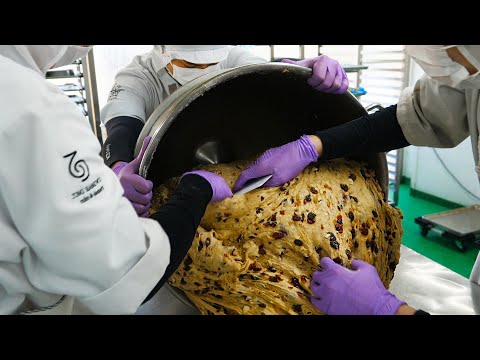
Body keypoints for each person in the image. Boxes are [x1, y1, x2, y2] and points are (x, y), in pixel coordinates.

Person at [234, 45, 480, 315]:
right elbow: (413, 117)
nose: (449, 58)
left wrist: (386, 310)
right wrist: (313, 146)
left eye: (454, 50)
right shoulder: (469, 74)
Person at [0, 45, 234, 315]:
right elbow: (124, 268)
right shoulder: (30, 107)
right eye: (191, 63)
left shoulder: (16, 87)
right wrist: (194, 189)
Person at [101, 45, 349, 216]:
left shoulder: (233, 59)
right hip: (167, 198)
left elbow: (265, 75)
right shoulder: (139, 76)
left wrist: (302, 70)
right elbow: (121, 128)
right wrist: (119, 168)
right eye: (188, 62)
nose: (201, 68)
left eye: (209, 60)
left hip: (248, 179)